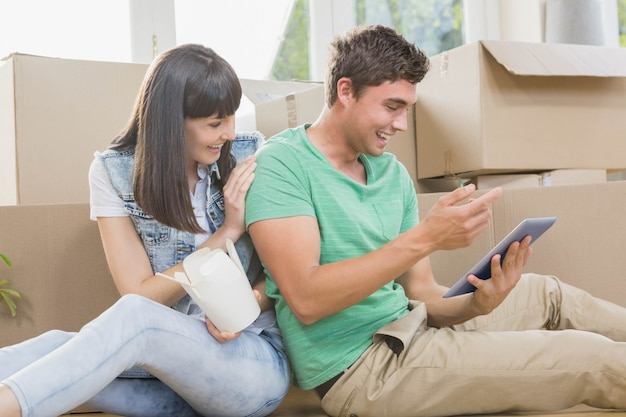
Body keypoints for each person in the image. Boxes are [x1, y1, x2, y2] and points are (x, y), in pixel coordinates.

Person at [244, 24, 626, 417]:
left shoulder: (390, 173)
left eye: (406, 109)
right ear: (345, 91)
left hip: (411, 325)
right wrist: (427, 237)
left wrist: (478, 304)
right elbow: (306, 300)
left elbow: (423, 293)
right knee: (590, 358)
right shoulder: (283, 165)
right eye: (392, 107)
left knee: (549, 294)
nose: (401, 124)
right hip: (363, 370)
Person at [0, 44, 290, 417]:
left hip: (251, 366)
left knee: (134, 321)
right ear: (171, 122)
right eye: (214, 124)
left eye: (231, 118)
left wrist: (245, 305)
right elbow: (140, 294)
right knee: (57, 346)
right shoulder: (113, 172)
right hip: (166, 379)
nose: (229, 133)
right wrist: (227, 233)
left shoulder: (252, 158)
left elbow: (285, 273)